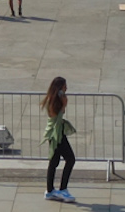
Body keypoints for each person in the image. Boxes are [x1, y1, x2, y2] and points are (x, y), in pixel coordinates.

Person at [42, 75, 77, 203]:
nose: (66, 88)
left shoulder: (56, 99)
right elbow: (56, 118)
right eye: (64, 86)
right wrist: (63, 106)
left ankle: (50, 191)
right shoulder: (52, 101)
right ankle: (63, 189)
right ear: (59, 88)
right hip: (56, 134)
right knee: (70, 159)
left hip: (57, 132)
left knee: (54, 161)